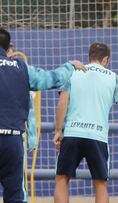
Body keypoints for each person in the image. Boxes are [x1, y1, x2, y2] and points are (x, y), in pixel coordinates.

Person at [0, 28, 85, 203]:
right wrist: (70, 66)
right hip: (12, 141)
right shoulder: (22, 69)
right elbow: (52, 78)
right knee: (15, 195)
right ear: (9, 48)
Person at [53, 43, 118, 203]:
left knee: (61, 179)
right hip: (98, 136)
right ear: (106, 59)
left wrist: (58, 130)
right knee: (100, 184)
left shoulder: (73, 73)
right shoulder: (114, 77)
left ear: (89, 57)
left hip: (72, 133)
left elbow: (62, 103)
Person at [7, 42, 38, 151]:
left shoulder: (20, 76)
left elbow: (30, 110)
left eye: (11, 57)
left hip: (14, 137)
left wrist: (32, 138)